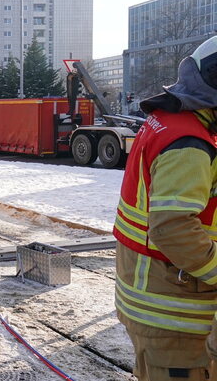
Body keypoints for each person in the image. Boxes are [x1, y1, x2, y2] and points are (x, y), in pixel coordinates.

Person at [113, 36, 217, 381]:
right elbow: (173, 228)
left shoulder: (171, 122)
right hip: (172, 312)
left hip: (152, 294)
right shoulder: (190, 144)